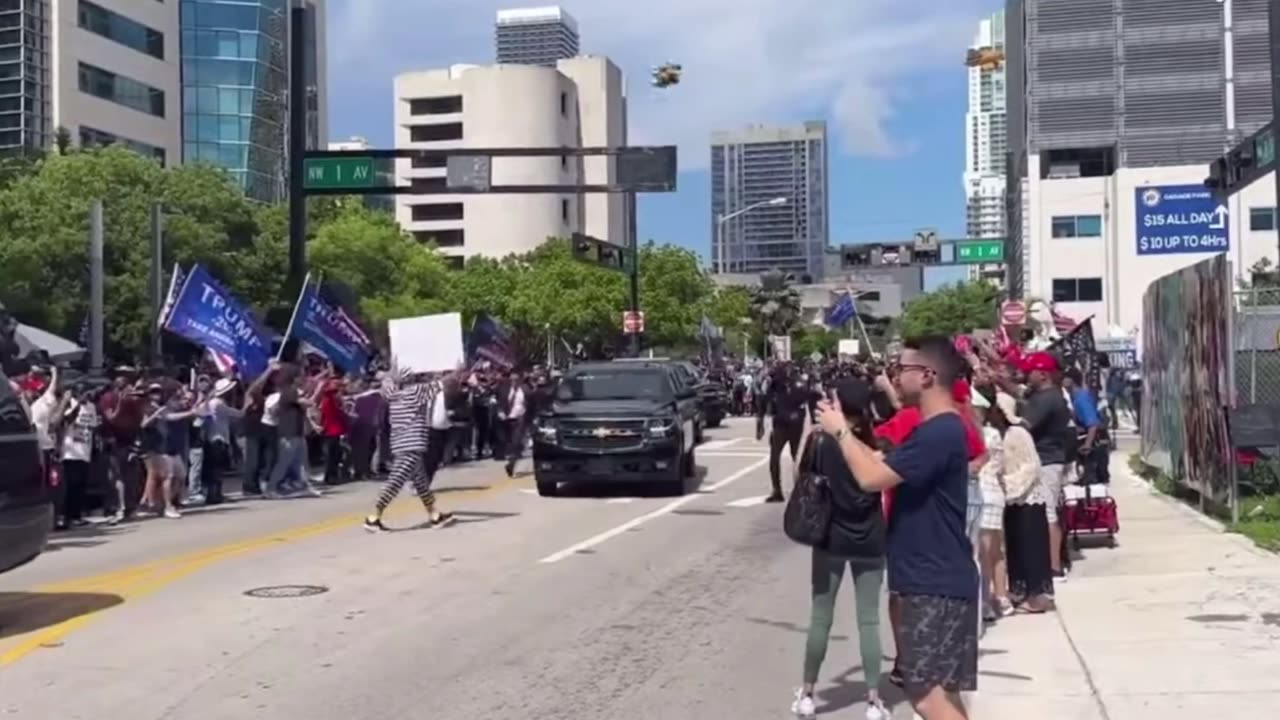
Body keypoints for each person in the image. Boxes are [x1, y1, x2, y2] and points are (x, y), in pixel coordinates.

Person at [816, 335, 978, 720]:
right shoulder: (937, 430)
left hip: (933, 582)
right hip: (937, 578)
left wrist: (839, 431)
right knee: (944, 696)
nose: (894, 377)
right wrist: (851, 437)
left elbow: (872, 478)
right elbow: (881, 461)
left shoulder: (939, 432)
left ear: (926, 375)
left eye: (901, 369)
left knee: (926, 698)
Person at [791, 377, 890, 720]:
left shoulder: (821, 441)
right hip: (871, 536)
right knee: (869, 621)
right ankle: (874, 700)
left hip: (831, 536)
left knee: (821, 618)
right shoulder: (874, 444)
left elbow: (799, 479)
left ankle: (807, 693)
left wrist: (811, 429)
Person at [364, 369, 455, 532]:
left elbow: (387, 381)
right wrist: (456, 368)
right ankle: (374, 517)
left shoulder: (391, 393)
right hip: (412, 444)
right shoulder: (415, 392)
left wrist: (392, 372)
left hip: (400, 443)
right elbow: (444, 383)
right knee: (396, 480)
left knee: (421, 483)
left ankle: (434, 515)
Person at [990, 392, 1054, 612]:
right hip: (1011, 500)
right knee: (1015, 547)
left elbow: (1031, 466)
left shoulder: (1018, 433)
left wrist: (1009, 486)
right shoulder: (997, 434)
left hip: (1028, 499)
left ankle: (1036, 596)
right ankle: (1020, 591)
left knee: (1031, 548)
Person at [1019, 352, 1073, 580]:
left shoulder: (1047, 399)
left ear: (1042, 374)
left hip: (1048, 461)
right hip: (1048, 460)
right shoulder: (1047, 396)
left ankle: (1054, 567)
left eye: (1029, 371)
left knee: (1049, 514)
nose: (1026, 375)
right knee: (1046, 513)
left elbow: (1025, 424)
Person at [757, 363, 817, 502]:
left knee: (798, 458)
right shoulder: (776, 384)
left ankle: (801, 490)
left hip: (793, 424)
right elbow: (764, 401)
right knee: (777, 457)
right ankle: (778, 490)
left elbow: (811, 399)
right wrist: (760, 424)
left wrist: (811, 422)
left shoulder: (798, 383)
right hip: (782, 424)